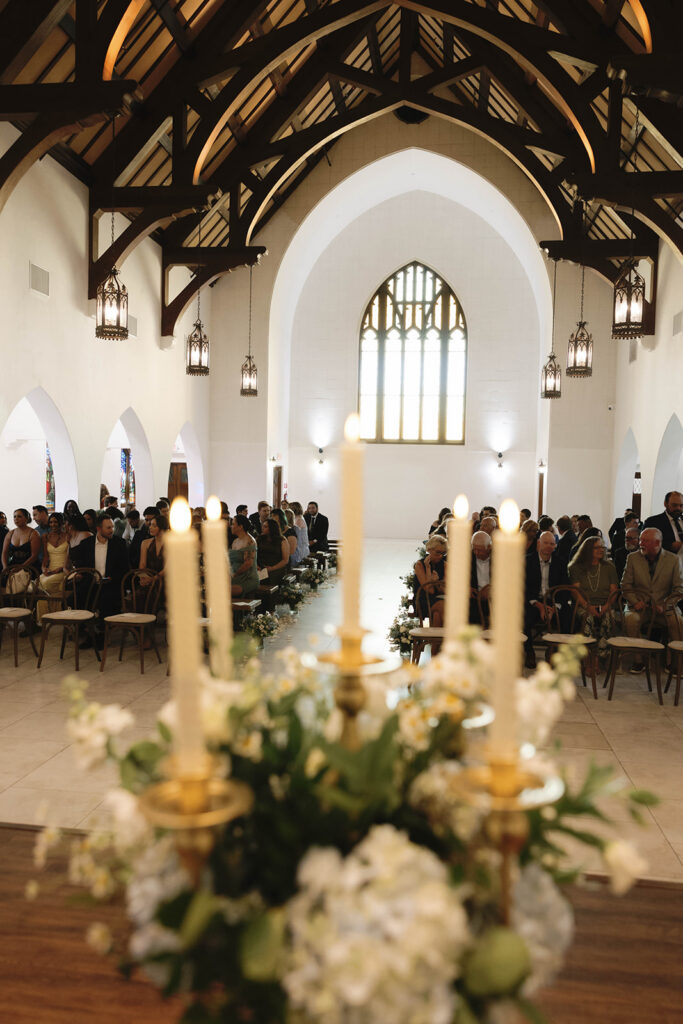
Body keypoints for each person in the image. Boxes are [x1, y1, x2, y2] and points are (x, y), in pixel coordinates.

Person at [621, 527, 683, 672]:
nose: (640, 543)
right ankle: (639, 661)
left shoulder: (673, 560)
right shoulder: (632, 558)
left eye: (645, 541)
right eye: (641, 539)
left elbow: (679, 589)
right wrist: (635, 601)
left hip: (664, 607)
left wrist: (665, 604)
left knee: (678, 621)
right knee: (630, 619)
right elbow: (625, 585)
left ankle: (674, 663)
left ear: (657, 543)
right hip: (639, 606)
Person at [76, 512, 130, 637]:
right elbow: (81, 564)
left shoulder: (119, 544)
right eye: (108, 528)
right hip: (90, 583)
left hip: (110, 583)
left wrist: (111, 578)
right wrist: (80, 574)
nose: (112, 530)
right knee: (78, 596)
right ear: (99, 529)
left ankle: (102, 634)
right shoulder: (87, 544)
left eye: (112, 527)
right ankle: (84, 631)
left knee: (106, 600)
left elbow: (124, 568)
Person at [568, 536, 619, 659]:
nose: (601, 550)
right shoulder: (575, 567)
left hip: (605, 605)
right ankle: (588, 656)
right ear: (588, 549)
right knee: (588, 618)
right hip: (584, 605)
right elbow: (576, 592)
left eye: (602, 547)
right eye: (597, 547)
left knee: (608, 618)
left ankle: (601, 654)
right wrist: (588, 606)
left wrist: (606, 606)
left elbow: (614, 591)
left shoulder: (609, 567)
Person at [523, 530, 568, 668]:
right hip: (533, 601)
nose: (549, 546)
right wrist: (538, 605)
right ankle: (529, 651)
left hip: (553, 601)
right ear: (538, 544)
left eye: (552, 544)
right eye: (546, 543)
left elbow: (565, 588)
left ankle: (554, 650)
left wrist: (555, 607)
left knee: (568, 615)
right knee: (522, 616)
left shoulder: (560, 562)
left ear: (555, 546)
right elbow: (523, 588)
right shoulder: (527, 561)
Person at [36, 512, 69, 621]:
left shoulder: (68, 536)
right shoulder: (45, 537)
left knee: (44, 584)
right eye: (51, 522)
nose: (53, 524)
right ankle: (44, 619)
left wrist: (60, 569)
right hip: (50, 570)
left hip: (63, 570)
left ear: (61, 523)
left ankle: (46, 618)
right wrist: (44, 568)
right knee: (37, 583)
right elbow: (45, 557)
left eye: (55, 522)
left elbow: (70, 558)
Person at [413, 535, 447, 628]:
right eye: (437, 552)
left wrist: (436, 583)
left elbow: (445, 590)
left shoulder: (445, 565)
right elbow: (429, 590)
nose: (440, 556)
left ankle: (436, 642)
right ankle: (451, 638)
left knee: (437, 614)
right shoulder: (420, 565)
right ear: (429, 549)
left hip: (439, 598)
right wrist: (427, 568)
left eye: (443, 553)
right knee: (441, 605)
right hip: (423, 600)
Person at [644, 491, 683, 556]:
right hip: (666, 561)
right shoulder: (653, 522)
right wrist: (670, 546)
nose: (678, 508)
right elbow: (645, 544)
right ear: (665, 504)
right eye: (674, 505)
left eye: (681, 505)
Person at [1, 508, 41, 573]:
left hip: (30, 566)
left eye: (19, 516)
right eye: (14, 516)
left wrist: (20, 568)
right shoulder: (10, 533)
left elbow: (34, 556)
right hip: (13, 565)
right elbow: (4, 552)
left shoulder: (34, 533)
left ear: (26, 518)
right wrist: (5, 567)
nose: (16, 518)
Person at [229, 515, 259, 597]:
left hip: (247, 578)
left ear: (240, 526)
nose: (231, 526)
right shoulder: (235, 541)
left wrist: (234, 575)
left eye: (233, 524)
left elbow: (248, 563)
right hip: (234, 576)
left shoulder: (250, 541)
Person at [257, 517, 290, 585]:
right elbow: (254, 554)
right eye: (262, 526)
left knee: (268, 579)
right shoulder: (259, 538)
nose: (262, 528)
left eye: (265, 526)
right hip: (262, 567)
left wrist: (272, 568)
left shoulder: (282, 540)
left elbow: (285, 560)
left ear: (272, 528)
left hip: (277, 567)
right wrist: (257, 565)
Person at [469, 530, 492, 625]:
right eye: (474, 549)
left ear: (489, 547)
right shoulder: (467, 557)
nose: (476, 553)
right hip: (473, 598)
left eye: (480, 550)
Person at [139, 512, 168, 578]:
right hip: (148, 578)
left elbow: (167, 569)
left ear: (162, 528)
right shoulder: (145, 543)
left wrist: (153, 579)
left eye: (154, 526)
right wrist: (144, 578)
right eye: (150, 525)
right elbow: (142, 565)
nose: (150, 528)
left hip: (165, 580)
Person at [289, 501, 310, 566]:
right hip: (299, 545)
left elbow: (295, 533)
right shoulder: (297, 518)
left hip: (301, 547)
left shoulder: (299, 519)